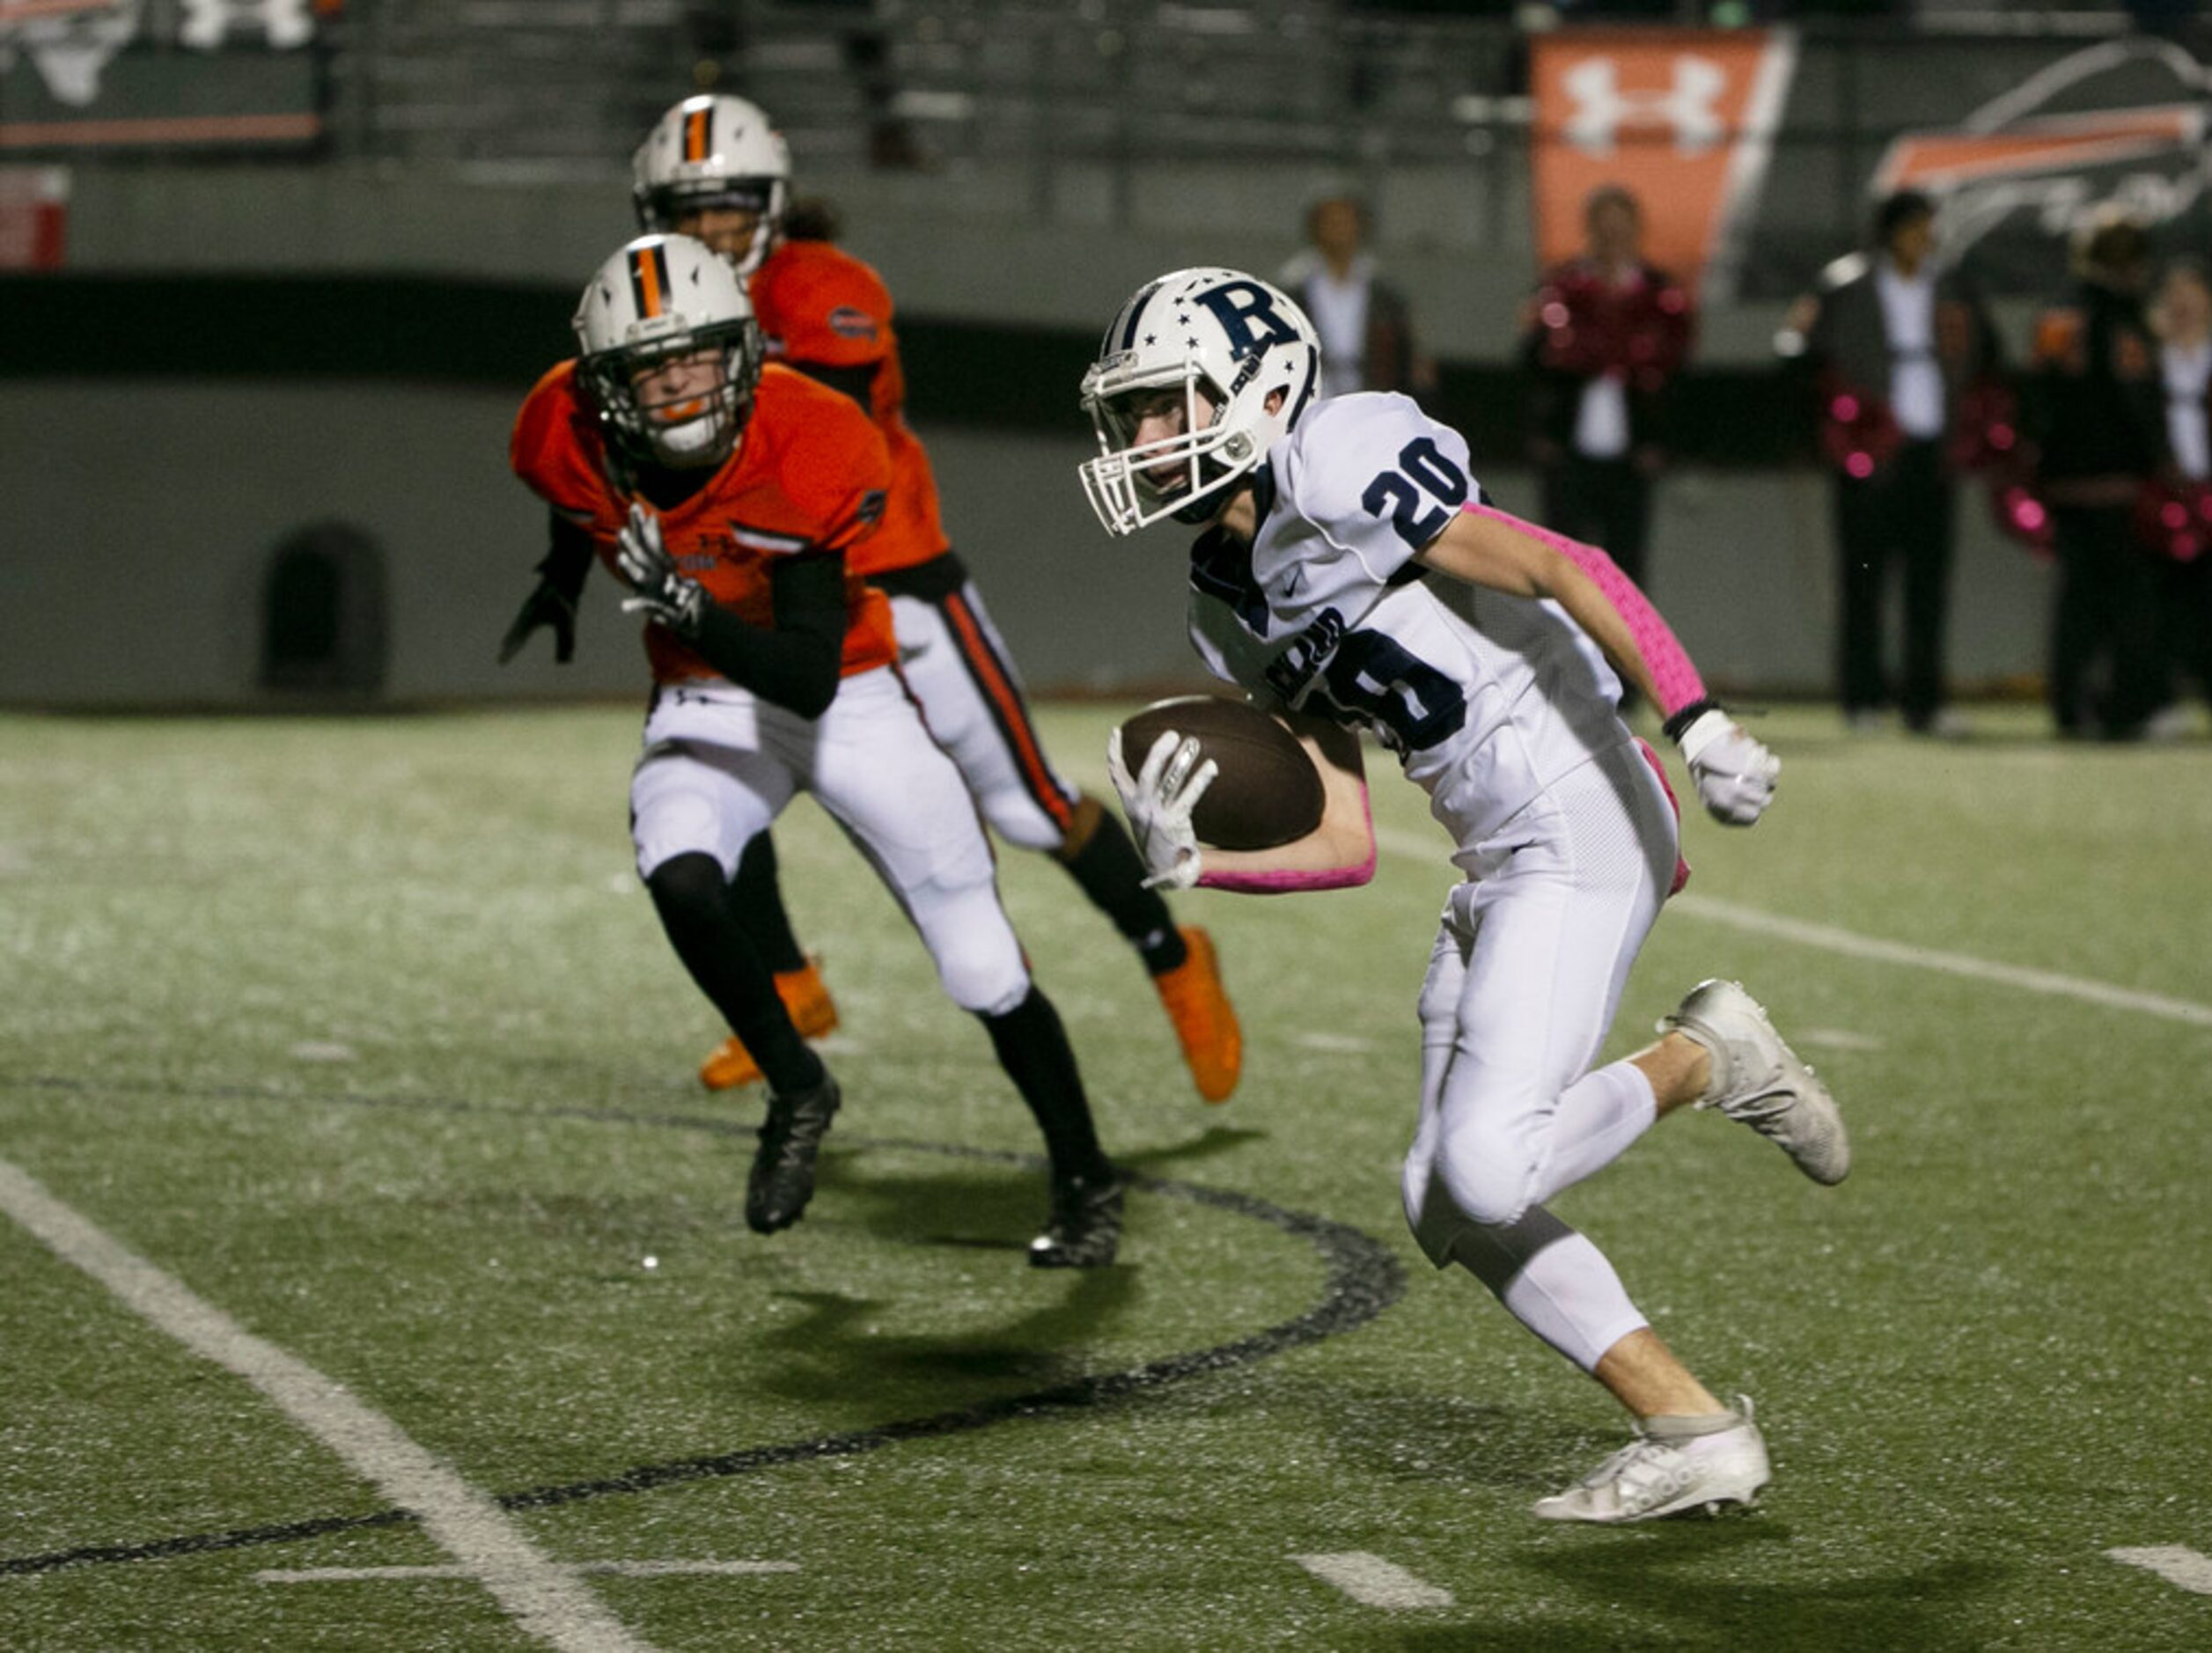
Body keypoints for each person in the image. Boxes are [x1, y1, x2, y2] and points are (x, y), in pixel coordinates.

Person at [1081, 268, 1849, 1522]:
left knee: (1487, 1169)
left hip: (1582, 809)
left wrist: (1695, 713)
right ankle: (1694, 1427)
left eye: (1168, 407)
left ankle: (1707, 1056)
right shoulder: (1224, 599)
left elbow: (1564, 561)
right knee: (1441, 1197)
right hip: (1496, 856)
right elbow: (1343, 836)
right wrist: (1196, 863)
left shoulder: (1344, 459)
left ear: (1266, 390)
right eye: (1134, 416)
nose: (1145, 441)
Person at [606, 92, 1242, 1105]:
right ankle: (791, 985)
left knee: (1027, 808)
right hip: (772, 595)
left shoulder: (824, 287)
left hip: (896, 586)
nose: (709, 228)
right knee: (714, 774)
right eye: (687, 208)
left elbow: (814, 441)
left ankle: (1172, 957)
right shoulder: (660, 311)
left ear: (771, 202)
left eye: (728, 204)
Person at [509, 232, 1122, 1266]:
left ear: (745, 353)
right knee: (680, 868)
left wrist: (683, 605)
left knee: (979, 962)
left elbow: (804, 676)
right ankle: (798, 1086)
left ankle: (1086, 1181)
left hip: (846, 693)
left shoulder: (814, 438)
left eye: (696, 356)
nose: (676, 387)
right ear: (605, 387)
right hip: (704, 698)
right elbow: (580, 498)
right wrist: (562, 575)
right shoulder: (556, 427)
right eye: (650, 369)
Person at [1781, 190, 2001, 736]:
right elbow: (1801, 354)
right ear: (1889, 231)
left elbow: (1987, 355)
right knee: (1863, 580)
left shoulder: (1951, 285)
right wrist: (1836, 425)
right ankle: (1863, 699)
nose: (1925, 238)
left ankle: (1925, 701)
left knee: (1928, 582)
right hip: (1867, 450)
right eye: (1915, 227)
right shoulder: (1846, 284)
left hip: (1933, 448)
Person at [2025, 211, 2164, 740]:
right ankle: (2127, 708)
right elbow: (2137, 400)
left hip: (2065, 480)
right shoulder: (2125, 318)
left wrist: (2045, 462)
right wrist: (2157, 460)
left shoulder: (2057, 313)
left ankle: (2070, 706)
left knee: (2076, 602)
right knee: (2130, 603)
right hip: (2119, 481)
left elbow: (2040, 398)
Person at [1520, 184, 1693, 597]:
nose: (1613, 235)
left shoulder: (1661, 294)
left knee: (1628, 570)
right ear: (1590, 229)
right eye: (1605, 225)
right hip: (1568, 451)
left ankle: (1623, 660)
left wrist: (1659, 440)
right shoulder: (1560, 289)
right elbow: (1533, 364)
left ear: (1637, 228)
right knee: (1562, 565)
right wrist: (1543, 434)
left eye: (1622, 225)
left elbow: (1675, 373)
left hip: (1632, 455)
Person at [2141, 258, 2212, 737]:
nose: (2183, 305)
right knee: (2158, 611)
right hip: (2161, 506)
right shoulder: (2147, 364)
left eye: (2193, 294)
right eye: (2174, 296)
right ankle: (2158, 702)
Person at [1277, 194, 1433, 400]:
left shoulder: (1384, 292)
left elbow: (1403, 347)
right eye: (1330, 222)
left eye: (1344, 222)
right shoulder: (1294, 287)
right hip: (1315, 391)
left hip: (1370, 390)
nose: (1338, 230)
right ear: (1315, 228)